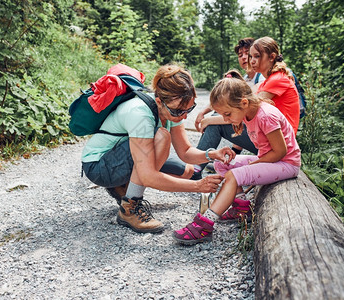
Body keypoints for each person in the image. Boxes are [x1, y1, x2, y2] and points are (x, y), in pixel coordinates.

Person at [81, 64, 234, 234]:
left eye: (189, 109)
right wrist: (198, 186)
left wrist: (211, 154)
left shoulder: (172, 108)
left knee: (188, 171)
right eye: (179, 111)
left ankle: (124, 185)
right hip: (98, 166)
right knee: (162, 137)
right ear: (159, 101)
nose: (183, 116)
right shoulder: (140, 114)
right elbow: (148, 177)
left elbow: (185, 151)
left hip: (120, 156)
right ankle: (129, 209)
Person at [173, 70, 301, 245]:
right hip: (271, 159)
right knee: (222, 163)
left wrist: (253, 165)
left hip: (286, 164)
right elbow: (228, 120)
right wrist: (209, 120)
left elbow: (280, 152)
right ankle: (242, 208)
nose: (226, 118)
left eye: (227, 114)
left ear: (244, 102)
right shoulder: (247, 111)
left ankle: (205, 223)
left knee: (235, 175)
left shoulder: (266, 116)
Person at [194, 38, 264, 172]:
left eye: (247, 53)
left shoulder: (262, 78)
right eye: (240, 55)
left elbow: (248, 110)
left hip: (270, 140)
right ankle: (206, 162)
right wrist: (204, 112)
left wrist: (209, 120)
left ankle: (196, 167)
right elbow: (225, 100)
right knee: (220, 115)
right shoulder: (247, 78)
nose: (244, 57)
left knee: (217, 122)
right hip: (257, 133)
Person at [249, 36, 300, 133]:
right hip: (272, 133)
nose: (252, 61)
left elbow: (250, 109)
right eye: (251, 57)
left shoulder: (278, 79)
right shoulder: (269, 80)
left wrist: (211, 120)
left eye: (257, 56)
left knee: (218, 126)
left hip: (282, 140)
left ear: (272, 57)